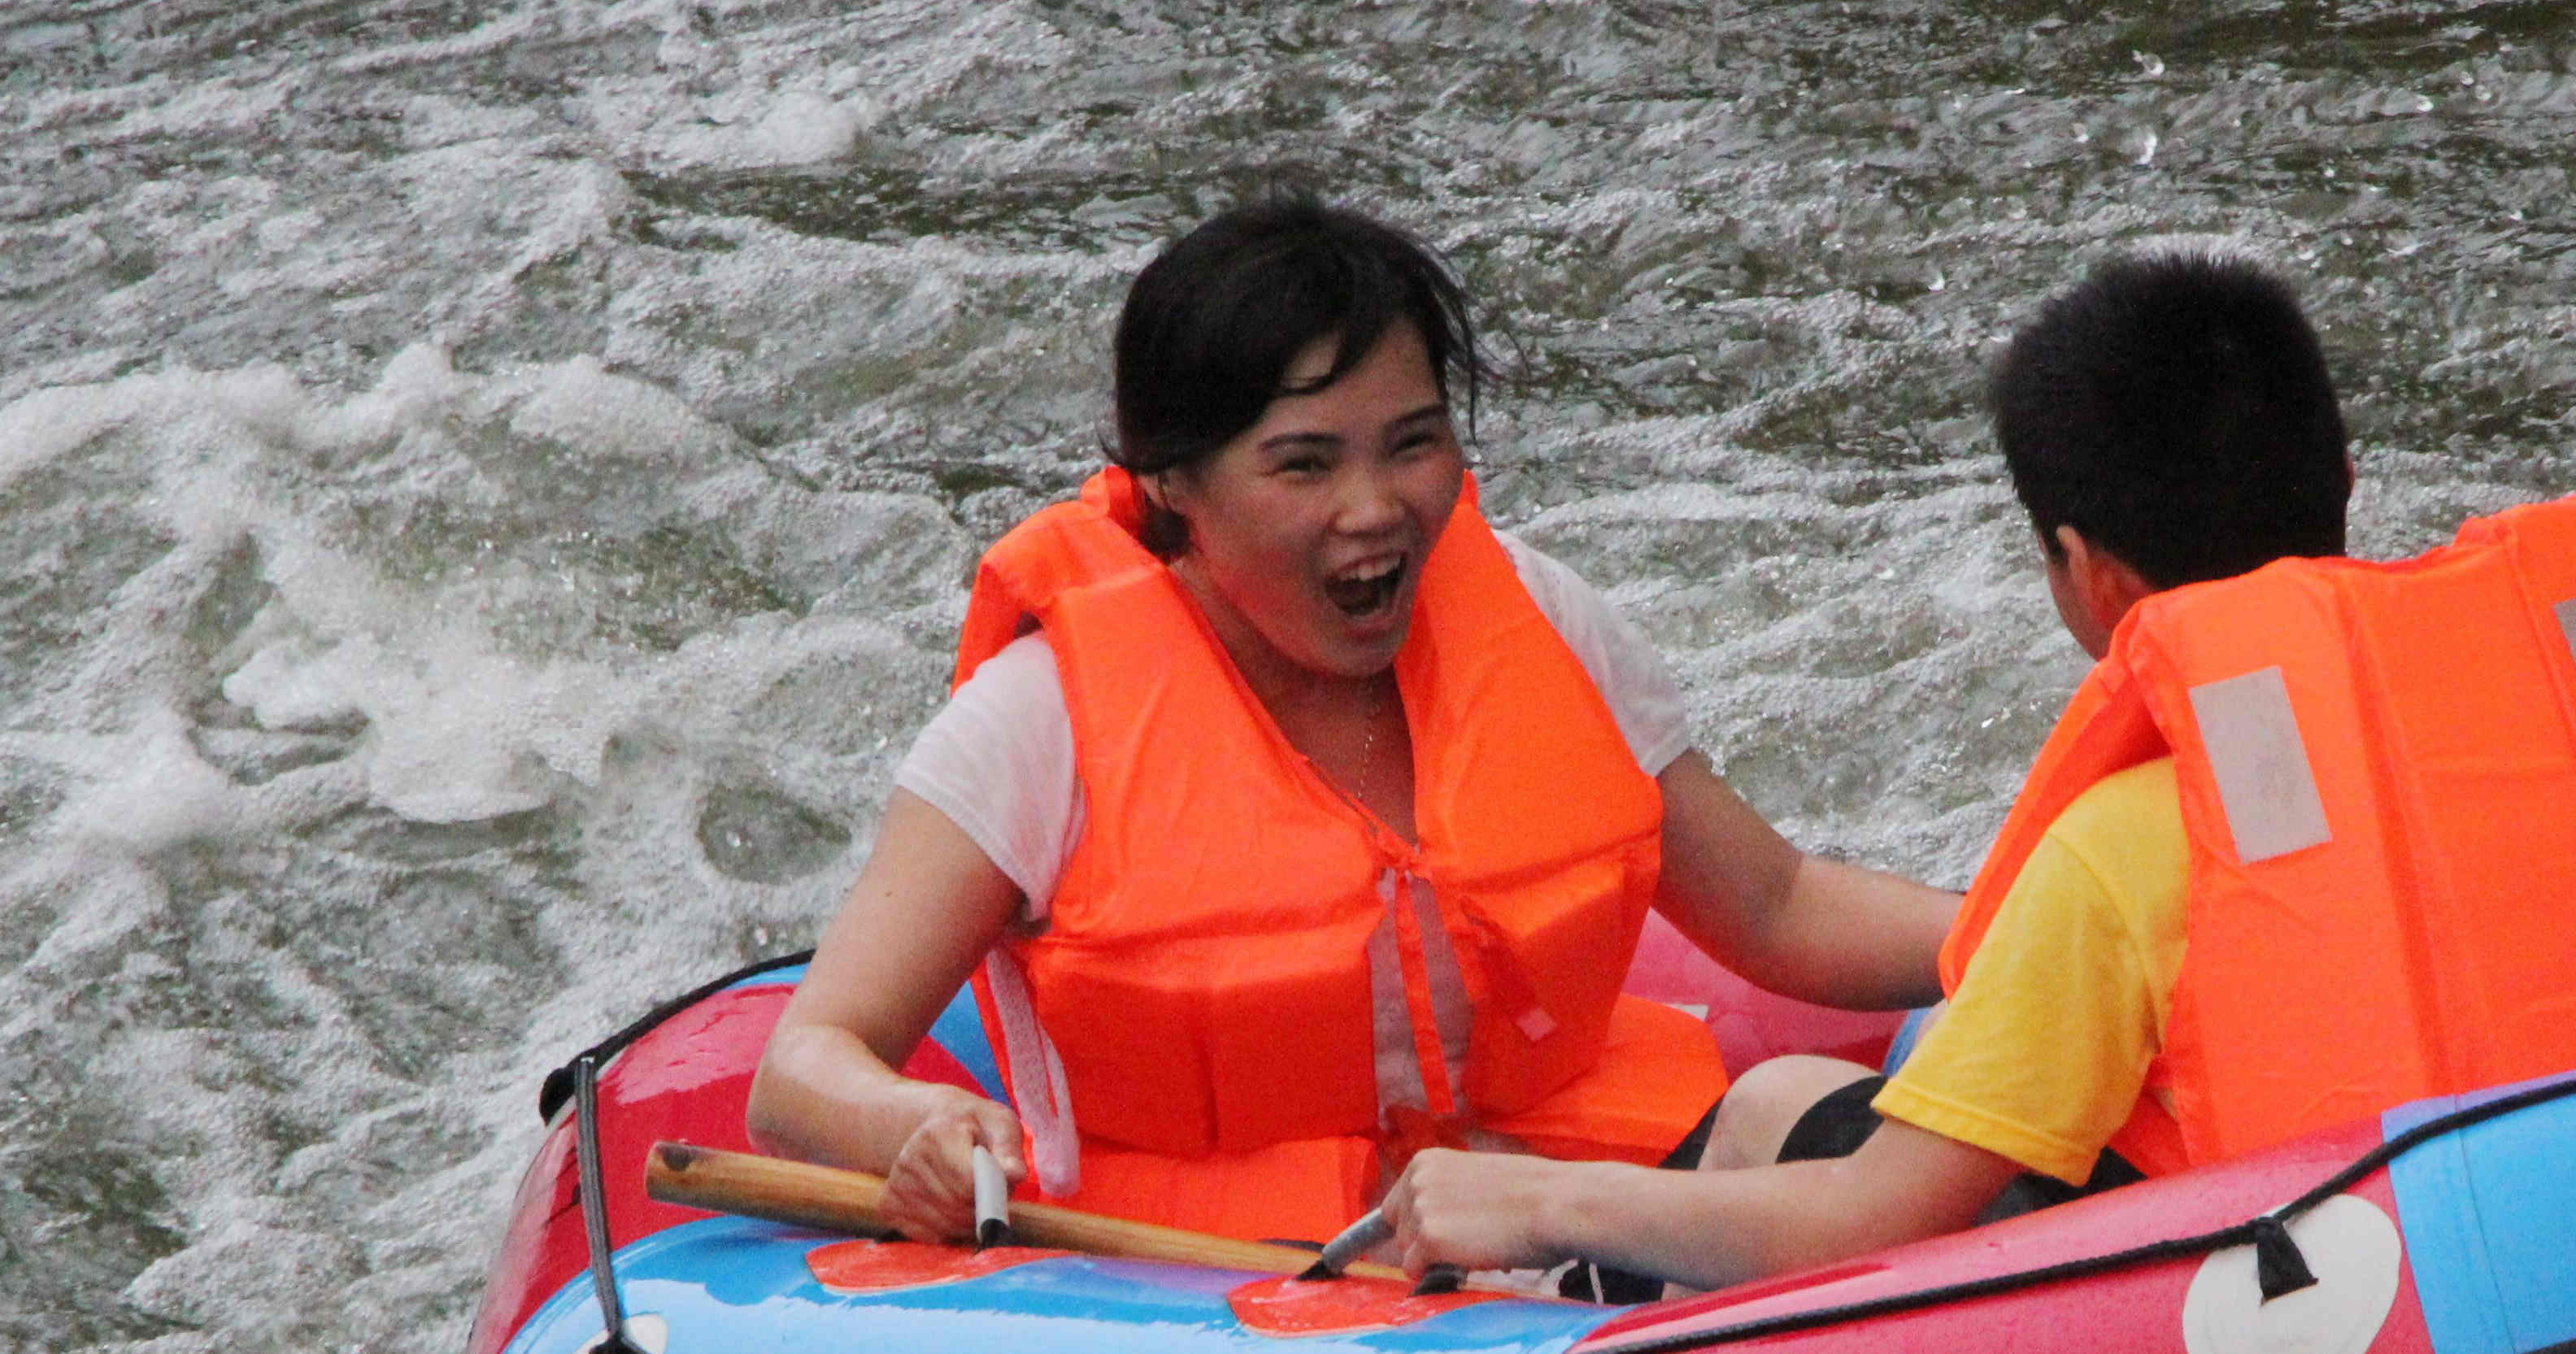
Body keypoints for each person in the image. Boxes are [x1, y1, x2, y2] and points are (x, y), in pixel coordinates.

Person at [1368, 248, 2576, 1291]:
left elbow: (1867, 1223)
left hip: (2306, 1332)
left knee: (1785, 1109)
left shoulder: (2130, 847)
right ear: (2344, 484)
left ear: (2085, 575)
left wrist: (1537, 1196)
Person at [749, 195, 1956, 1243]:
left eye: (1414, 445)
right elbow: (806, 1065)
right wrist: (911, 1122)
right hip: (1244, 1310)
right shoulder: (1041, 722)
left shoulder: (1535, 614)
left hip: (1578, 1224)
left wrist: (2055, 935)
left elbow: (1779, 907)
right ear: (1174, 483)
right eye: (1305, 465)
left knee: (1798, 1101)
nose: (1376, 509)